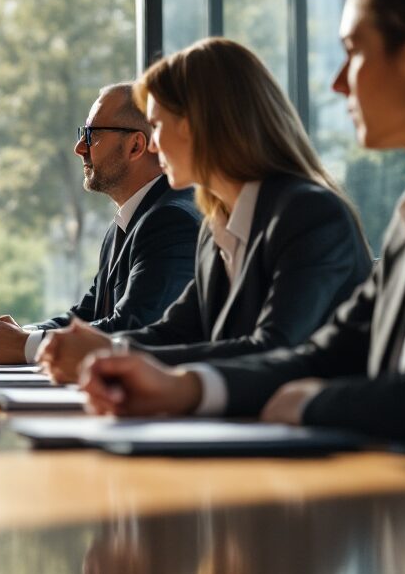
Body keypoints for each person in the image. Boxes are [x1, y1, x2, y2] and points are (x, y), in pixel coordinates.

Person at [78, 0, 405, 454]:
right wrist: (184, 387)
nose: (338, 82)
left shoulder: (311, 214)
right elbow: (326, 354)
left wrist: (309, 403)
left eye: (353, 51)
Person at [38, 38, 372, 383]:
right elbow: (174, 332)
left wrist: (111, 354)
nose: (153, 145)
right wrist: (101, 351)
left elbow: (273, 347)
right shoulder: (218, 226)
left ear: (198, 125)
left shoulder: (309, 215)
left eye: (158, 125)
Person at [0, 82, 199, 364]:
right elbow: (86, 317)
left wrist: (26, 345)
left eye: (91, 135)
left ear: (136, 146)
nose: (79, 148)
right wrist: (21, 334)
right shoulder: (128, 222)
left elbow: (133, 327)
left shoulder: (171, 221)